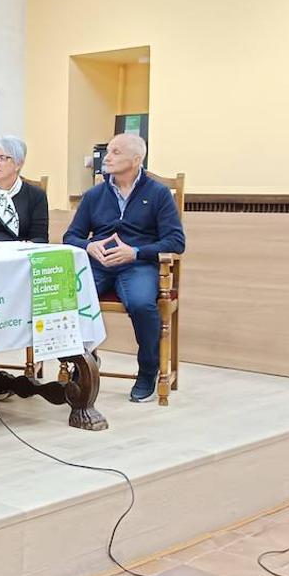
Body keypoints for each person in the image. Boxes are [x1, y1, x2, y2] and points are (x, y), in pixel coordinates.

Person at [63, 133, 186, 402]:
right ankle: (84, 361)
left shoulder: (158, 194)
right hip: (98, 264)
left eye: (116, 152)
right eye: (108, 151)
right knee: (68, 299)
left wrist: (136, 252)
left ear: (136, 159)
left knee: (142, 304)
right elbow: (70, 237)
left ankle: (148, 370)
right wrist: (88, 246)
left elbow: (176, 242)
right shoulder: (94, 195)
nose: (107, 157)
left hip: (137, 264)